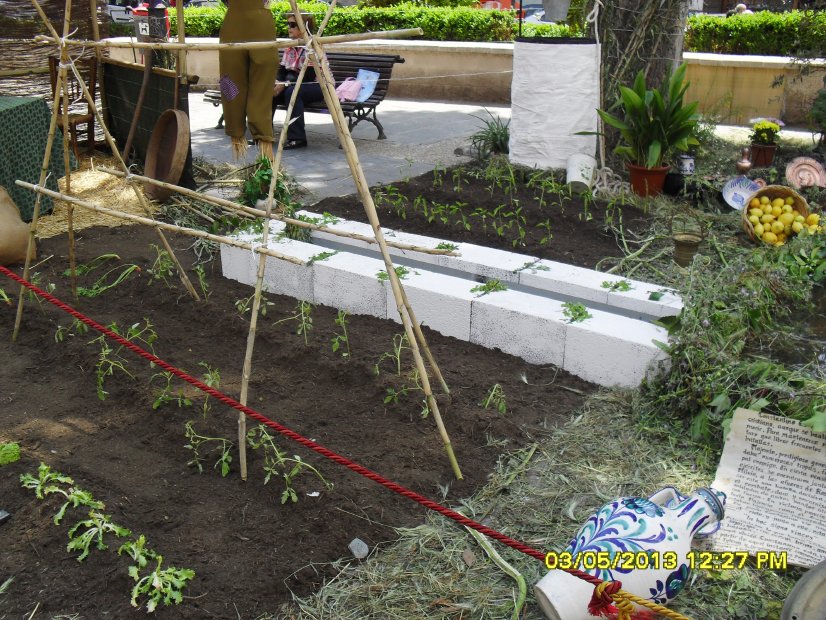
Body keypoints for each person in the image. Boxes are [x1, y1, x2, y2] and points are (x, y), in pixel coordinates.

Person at [218, 0, 278, 160]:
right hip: (237, 25)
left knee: (261, 89)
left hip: (257, 26)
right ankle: (238, 139)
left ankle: (265, 153)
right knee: (229, 82)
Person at [271, 14, 325, 150]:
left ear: (303, 27)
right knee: (269, 91)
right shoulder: (290, 46)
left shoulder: (313, 45)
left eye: (293, 25)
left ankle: (297, 138)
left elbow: (309, 75)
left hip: (318, 86)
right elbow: (282, 69)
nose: (289, 28)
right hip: (293, 83)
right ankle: (264, 133)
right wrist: (278, 82)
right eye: (288, 24)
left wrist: (284, 84)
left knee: (292, 92)